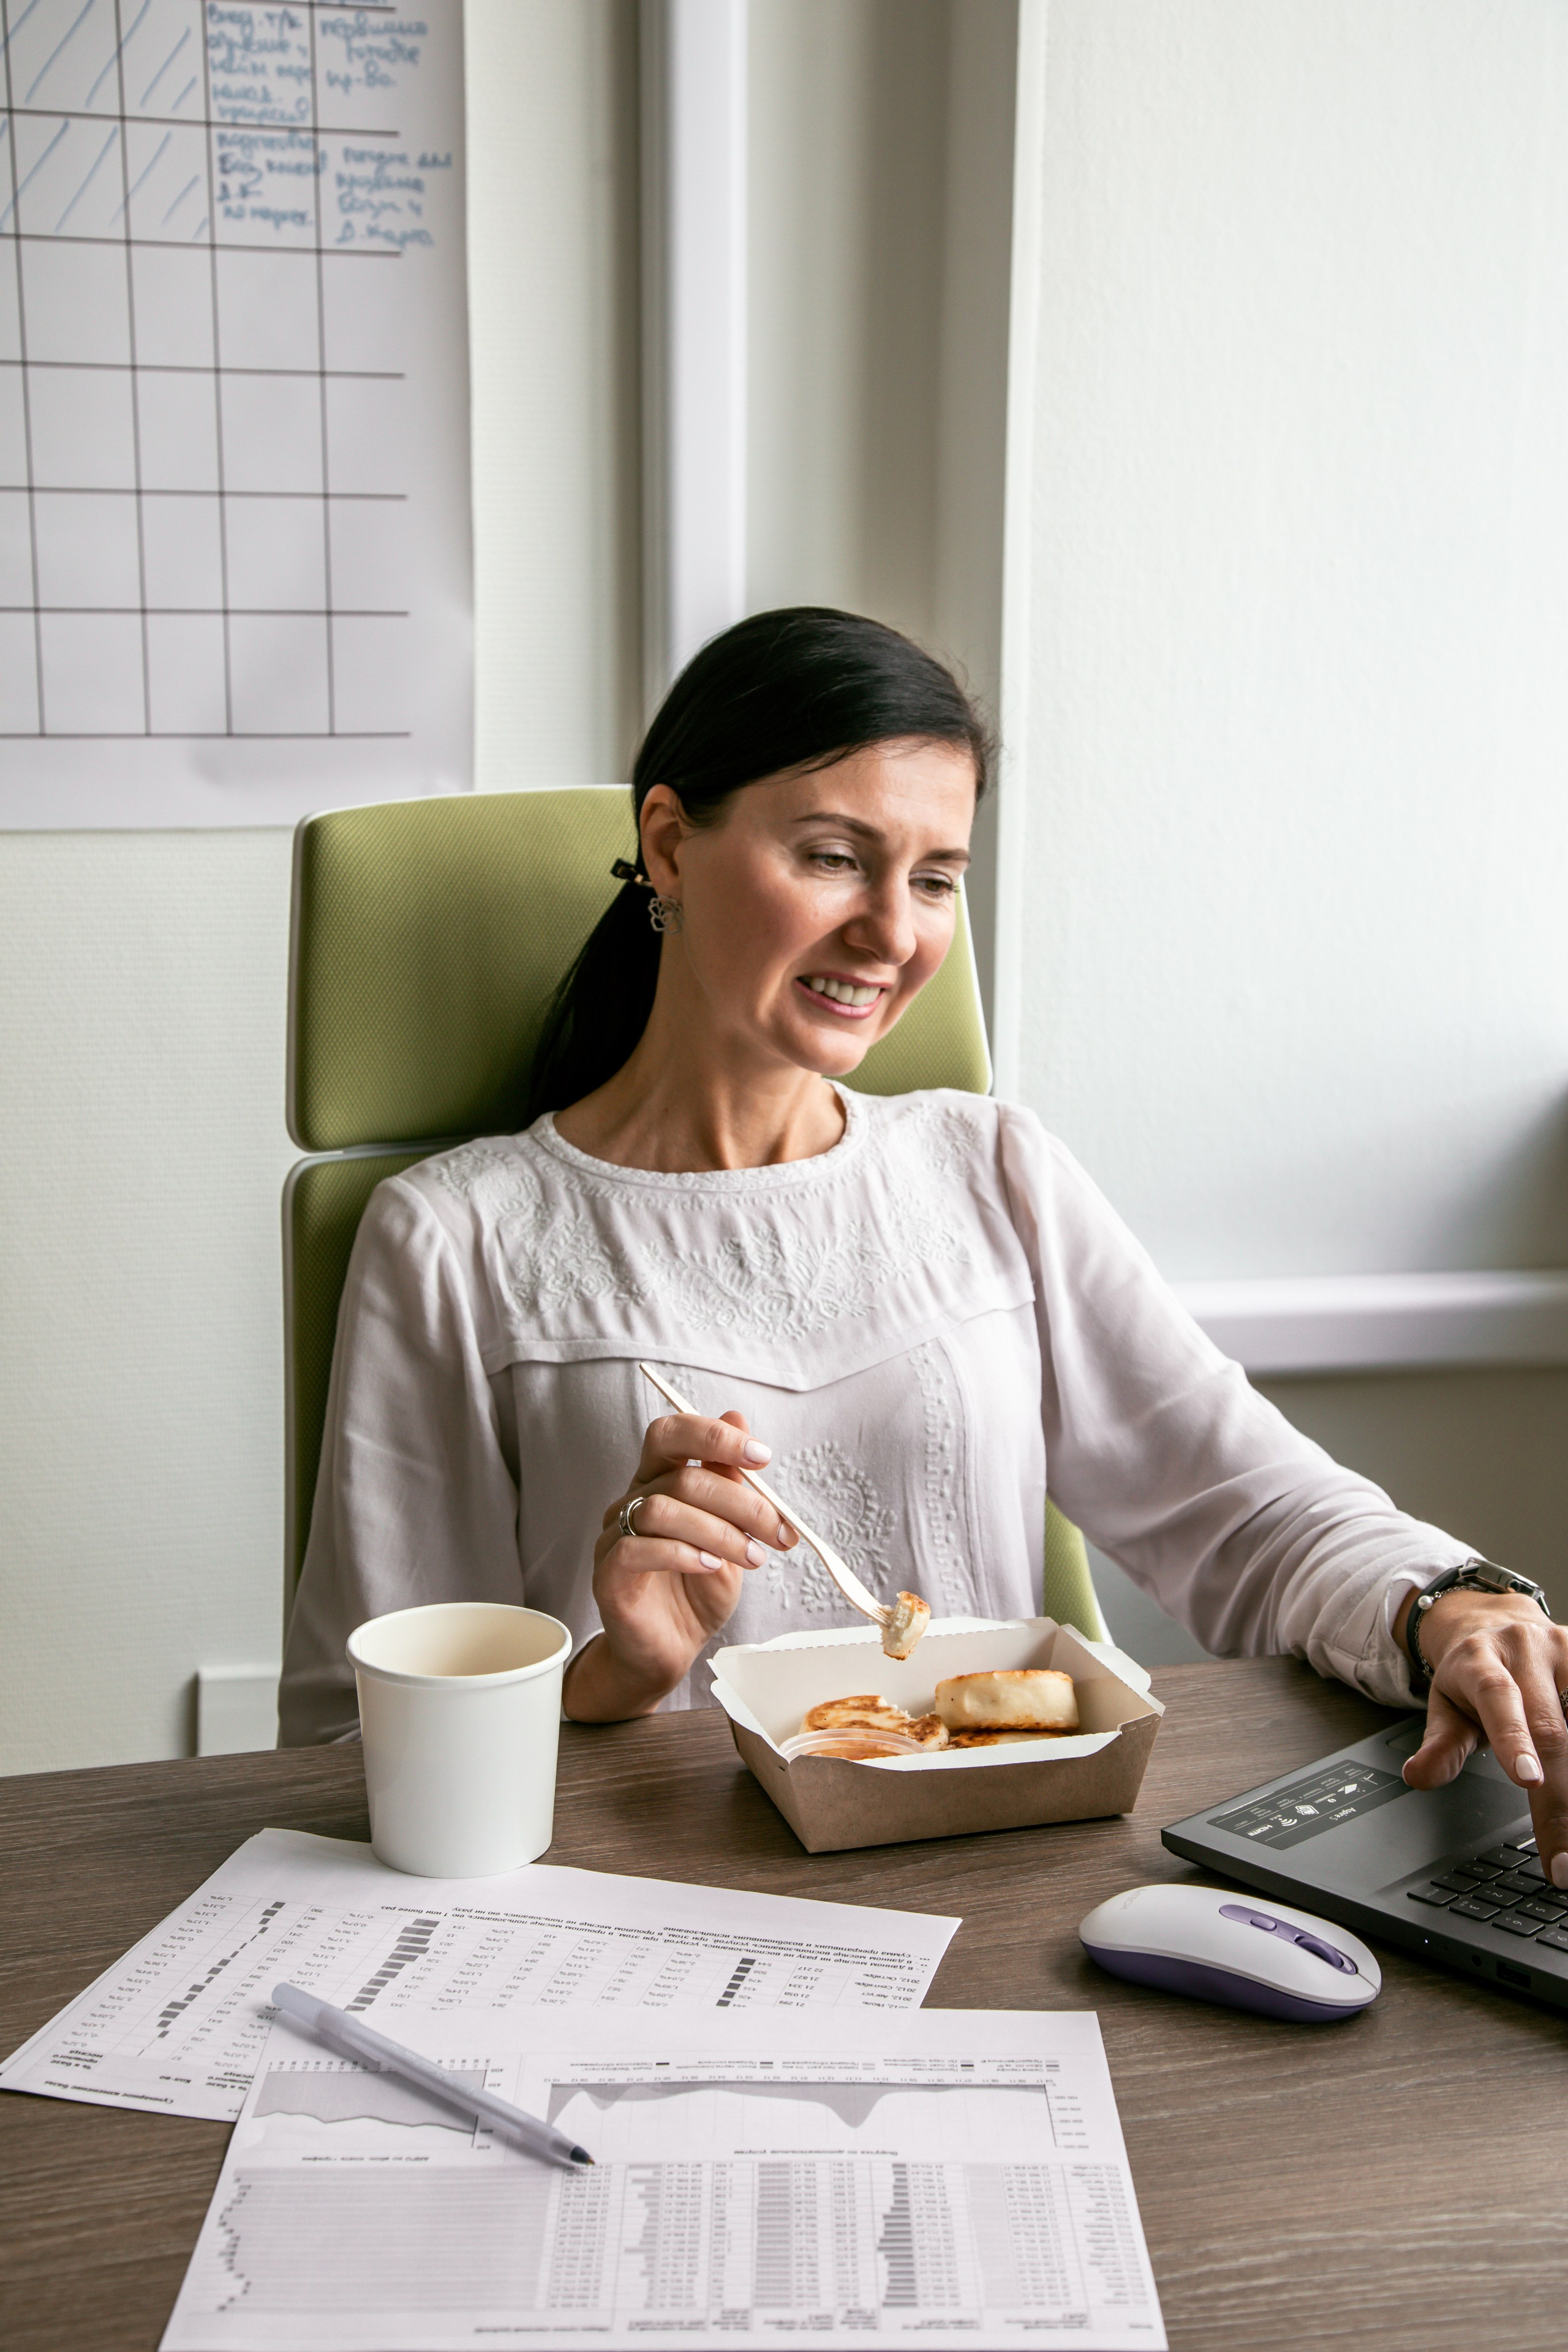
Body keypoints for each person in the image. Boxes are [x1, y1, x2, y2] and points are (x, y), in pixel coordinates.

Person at [279, 606, 1568, 1887]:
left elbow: (1246, 1510)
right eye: (835, 857)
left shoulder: (986, 1165)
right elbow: (352, 1738)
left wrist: (1440, 1605)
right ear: (668, 844)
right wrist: (608, 1678)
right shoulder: (456, 1236)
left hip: (1007, 1890)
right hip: (655, 1916)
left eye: (935, 877)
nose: (894, 935)